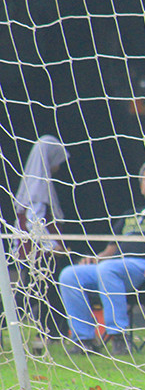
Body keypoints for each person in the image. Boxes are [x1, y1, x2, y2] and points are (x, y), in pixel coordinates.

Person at [57, 158, 145, 356]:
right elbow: (110, 250)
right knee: (70, 274)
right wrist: (96, 258)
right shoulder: (129, 214)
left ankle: (119, 337)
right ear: (140, 186)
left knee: (109, 269)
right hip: (115, 269)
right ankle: (84, 340)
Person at [12, 135, 70, 350]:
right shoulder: (38, 186)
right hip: (39, 252)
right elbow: (34, 221)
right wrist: (52, 246)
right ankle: (42, 333)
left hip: (37, 251)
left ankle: (47, 335)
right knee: (33, 292)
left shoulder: (36, 183)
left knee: (39, 291)